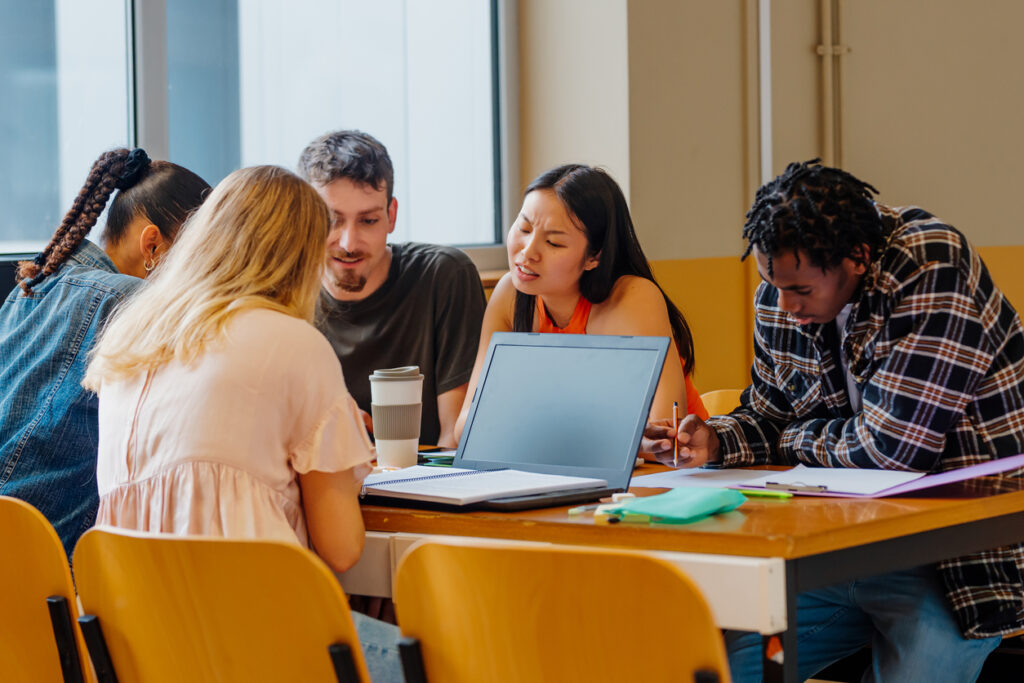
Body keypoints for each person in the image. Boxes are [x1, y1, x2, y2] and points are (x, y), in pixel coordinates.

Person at [645, 160, 1024, 682]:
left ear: (858, 259)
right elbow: (768, 415)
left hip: (954, 554)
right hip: (826, 548)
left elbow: (892, 451)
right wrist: (713, 441)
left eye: (800, 290)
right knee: (709, 669)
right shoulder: (781, 296)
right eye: (770, 283)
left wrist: (793, 438)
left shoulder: (931, 265)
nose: (783, 304)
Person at [83, 165, 402, 681]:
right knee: (441, 651)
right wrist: (344, 454)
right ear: (302, 258)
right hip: (257, 644)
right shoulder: (294, 345)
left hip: (141, 646)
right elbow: (342, 549)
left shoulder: (129, 341)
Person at [0, 148, 209, 557]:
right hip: (58, 577)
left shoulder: (29, 289)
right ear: (152, 245)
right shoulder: (131, 302)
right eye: (198, 264)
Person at [455, 163, 707, 444]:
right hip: (563, 473)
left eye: (553, 243)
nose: (527, 252)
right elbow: (467, 426)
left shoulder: (632, 298)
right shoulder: (509, 296)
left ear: (594, 256)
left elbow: (664, 436)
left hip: (674, 476)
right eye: (524, 228)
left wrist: (527, 427)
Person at [297, 130, 486, 448]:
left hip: (423, 485)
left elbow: (454, 440)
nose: (349, 243)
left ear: (391, 215)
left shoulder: (444, 276)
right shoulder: (282, 292)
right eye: (332, 220)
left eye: (368, 221)